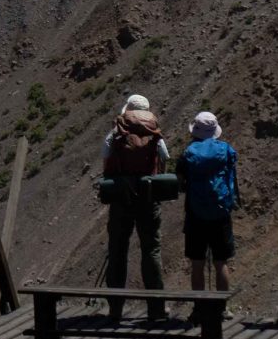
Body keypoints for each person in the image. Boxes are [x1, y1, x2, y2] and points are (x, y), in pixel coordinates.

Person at [99, 93, 171, 324]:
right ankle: (157, 309)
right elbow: (165, 157)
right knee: (151, 250)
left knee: (118, 250)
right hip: (148, 197)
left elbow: (105, 157)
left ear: (127, 110)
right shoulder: (154, 132)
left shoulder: (117, 131)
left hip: (121, 196)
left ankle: (115, 309)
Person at [177, 111, 238, 293]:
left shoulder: (188, 153)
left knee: (197, 263)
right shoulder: (226, 150)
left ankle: (199, 308)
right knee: (221, 263)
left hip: (195, 213)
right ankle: (223, 309)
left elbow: (180, 182)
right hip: (221, 212)